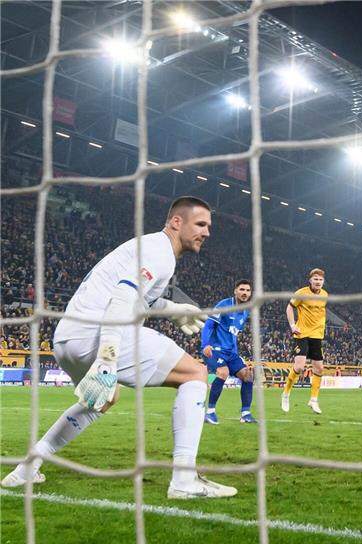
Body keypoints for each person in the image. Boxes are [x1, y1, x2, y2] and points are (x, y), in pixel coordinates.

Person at [1, 197, 236, 499]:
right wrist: (107, 357)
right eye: (201, 224)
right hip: (97, 335)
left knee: (101, 399)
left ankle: (26, 469)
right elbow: (123, 298)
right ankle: (184, 480)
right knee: (194, 373)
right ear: (177, 222)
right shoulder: (160, 253)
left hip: (66, 338)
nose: (207, 232)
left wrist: (171, 308)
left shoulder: (146, 248)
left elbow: (136, 297)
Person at [201, 279, 255, 425]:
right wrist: (205, 345)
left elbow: (232, 335)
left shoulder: (245, 312)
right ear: (235, 291)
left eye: (248, 290)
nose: (245, 293)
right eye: (242, 289)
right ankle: (210, 413)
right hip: (214, 350)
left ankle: (245, 414)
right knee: (223, 372)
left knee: (248, 376)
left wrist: (237, 355)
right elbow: (208, 325)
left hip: (231, 352)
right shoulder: (224, 305)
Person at [281, 268, 328, 414]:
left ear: (323, 281)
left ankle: (313, 400)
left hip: (317, 335)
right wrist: (293, 325)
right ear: (310, 280)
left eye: (320, 279)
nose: (318, 282)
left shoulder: (325, 295)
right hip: (302, 334)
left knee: (319, 369)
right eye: (315, 279)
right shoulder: (301, 293)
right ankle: (286, 394)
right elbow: (289, 308)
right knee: (300, 367)